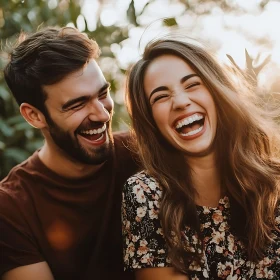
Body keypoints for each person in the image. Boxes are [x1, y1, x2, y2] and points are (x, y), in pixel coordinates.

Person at [122, 37, 280, 280]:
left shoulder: (273, 182)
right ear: (150, 121)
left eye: (192, 84)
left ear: (217, 92)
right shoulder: (145, 194)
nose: (181, 102)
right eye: (161, 97)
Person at [0, 26, 138, 280]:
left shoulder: (144, 154)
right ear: (34, 115)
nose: (103, 114)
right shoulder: (11, 209)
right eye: (77, 104)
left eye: (102, 94)